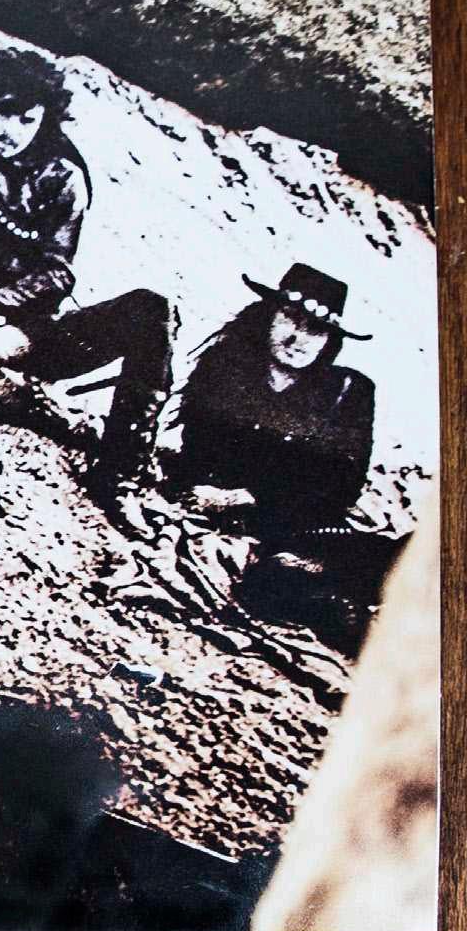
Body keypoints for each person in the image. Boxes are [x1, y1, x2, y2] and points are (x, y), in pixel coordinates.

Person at [0, 48, 173, 503]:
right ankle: (56, 416)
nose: (12, 130)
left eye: (28, 120)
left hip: (26, 330)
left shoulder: (59, 180)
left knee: (151, 309)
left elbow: (57, 274)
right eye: (2, 112)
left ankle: (122, 468)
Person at [130, 264, 393, 655]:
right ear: (268, 314)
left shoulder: (347, 391)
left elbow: (343, 486)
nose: (298, 338)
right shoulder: (227, 364)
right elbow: (201, 453)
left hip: (309, 527)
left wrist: (251, 495)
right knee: (275, 582)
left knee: (402, 558)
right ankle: (344, 615)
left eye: (316, 330)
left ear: (329, 341)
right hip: (238, 527)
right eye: (290, 317)